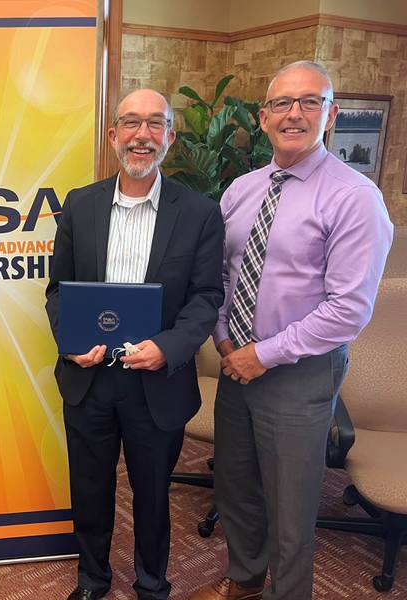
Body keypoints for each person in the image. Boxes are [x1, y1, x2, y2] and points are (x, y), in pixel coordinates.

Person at [189, 61, 393, 600]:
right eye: (282, 103)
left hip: (299, 371)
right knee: (236, 487)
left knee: (291, 507)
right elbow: (219, 274)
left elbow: (348, 309)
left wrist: (267, 353)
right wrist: (223, 338)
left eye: (309, 102)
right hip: (237, 363)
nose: (294, 113)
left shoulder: (354, 198)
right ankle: (246, 581)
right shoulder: (241, 190)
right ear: (263, 118)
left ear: (331, 116)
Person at [45, 89, 224, 600]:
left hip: (157, 382)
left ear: (169, 135)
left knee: (152, 493)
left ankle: (152, 584)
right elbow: (58, 289)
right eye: (131, 123)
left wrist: (169, 347)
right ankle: (92, 579)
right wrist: (70, 341)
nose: (141, 135)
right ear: (113, 135)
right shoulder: (80, 204)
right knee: (90, 489)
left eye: (154, 124)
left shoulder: (199, 214)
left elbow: (207, 296)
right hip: (90, 377)